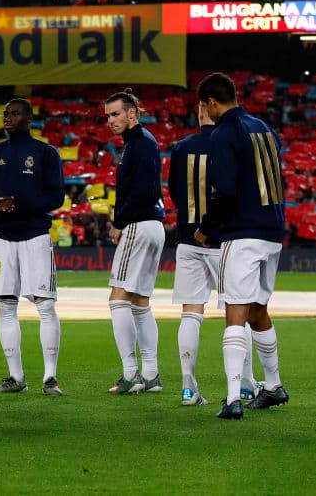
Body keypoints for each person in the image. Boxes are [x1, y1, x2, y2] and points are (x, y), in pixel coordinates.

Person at [194, 72, 288, 420]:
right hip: (272, 230)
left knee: (234, 311)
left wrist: (206, 230)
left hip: (243, 232)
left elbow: (225, 192)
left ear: (211, 102)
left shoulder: (224, 133)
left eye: (205, 106)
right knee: (257, 310)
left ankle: (233, 398)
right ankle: (274, 385)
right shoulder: (263, 128)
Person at [168, 102, 257, 407]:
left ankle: (188, 388)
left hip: (187, 238)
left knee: (191, 313)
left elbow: (175, 194)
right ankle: (245, 385)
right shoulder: (230, 141)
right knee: (238, 313)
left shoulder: (180, 148)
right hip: (224, 240)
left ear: (199, 110)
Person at [0, 98, 66, 396]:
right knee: (5, 306)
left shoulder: (45, 153)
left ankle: (50, 378)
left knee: (45, 304)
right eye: (5, 113)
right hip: (2, 238)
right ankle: (16, 377)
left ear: (29, 118)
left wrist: (22, 203)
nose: (8, 118)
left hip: (35, 236)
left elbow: (57, 197)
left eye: (14, 113)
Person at [103, 89, 165, 394]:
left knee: (118, 299)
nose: (111, 121)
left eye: (116, 114)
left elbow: (140, 191)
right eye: (108, 116)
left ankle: (131, 374)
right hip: (154, 225)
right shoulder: (144, 142)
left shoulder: (138, 144)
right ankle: (151, 374)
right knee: (140, 302)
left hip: (139, 225)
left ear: (132, 113)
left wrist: (118, 223)